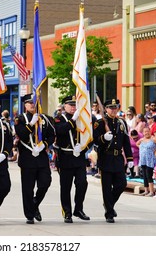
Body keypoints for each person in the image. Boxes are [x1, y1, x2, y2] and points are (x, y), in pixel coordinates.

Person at [14, 94, 55, 224]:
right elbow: (22, 134)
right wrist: (31, 124)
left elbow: (51, 136)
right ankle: (30, 214)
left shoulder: (45, 119)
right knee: (28, 188)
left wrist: (45, 145)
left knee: (45, 182)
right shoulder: (20, 119)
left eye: (34, 102)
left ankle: (34, 204)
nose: (32, 104)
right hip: (27, 158)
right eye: (29, 102)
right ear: (25, 105)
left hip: (41, 157)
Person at [93, 98, 133, 223]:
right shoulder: (100, 123)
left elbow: (126, 142)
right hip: (106, 157)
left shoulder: (122, 122)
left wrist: (130, 157)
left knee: (121, 184)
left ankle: (108, 204)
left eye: (116, 107)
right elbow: (95, 140)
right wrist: (104, 138)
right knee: (106, 187)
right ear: (105, 109)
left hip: (118, 158)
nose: (114, 110)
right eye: (111, 107)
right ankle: (109, 213)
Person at [54, 95, 91, 223]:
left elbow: (89, 136)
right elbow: (60, 131)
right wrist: (72, 121)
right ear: (65, 106)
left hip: (79, 156)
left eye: (75, 105)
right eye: (70, 105)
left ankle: (78, 209)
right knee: (66, 186)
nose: (73, 107)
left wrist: (83, 148)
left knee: (82, 183)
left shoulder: (82, 119)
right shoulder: (59, 119)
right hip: (65, 157)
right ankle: (67, 212)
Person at [136, 127, 156, 196]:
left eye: (147, 131)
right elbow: (137, 143)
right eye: (145, 132)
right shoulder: (142, 139)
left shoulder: (153, 139)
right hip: (143, 160)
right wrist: (141, 148)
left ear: (150, 131)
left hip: (150, 160)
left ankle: (151, 191)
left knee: (149, 175)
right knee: (144, 176)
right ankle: (146, 190)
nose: (146, 133)